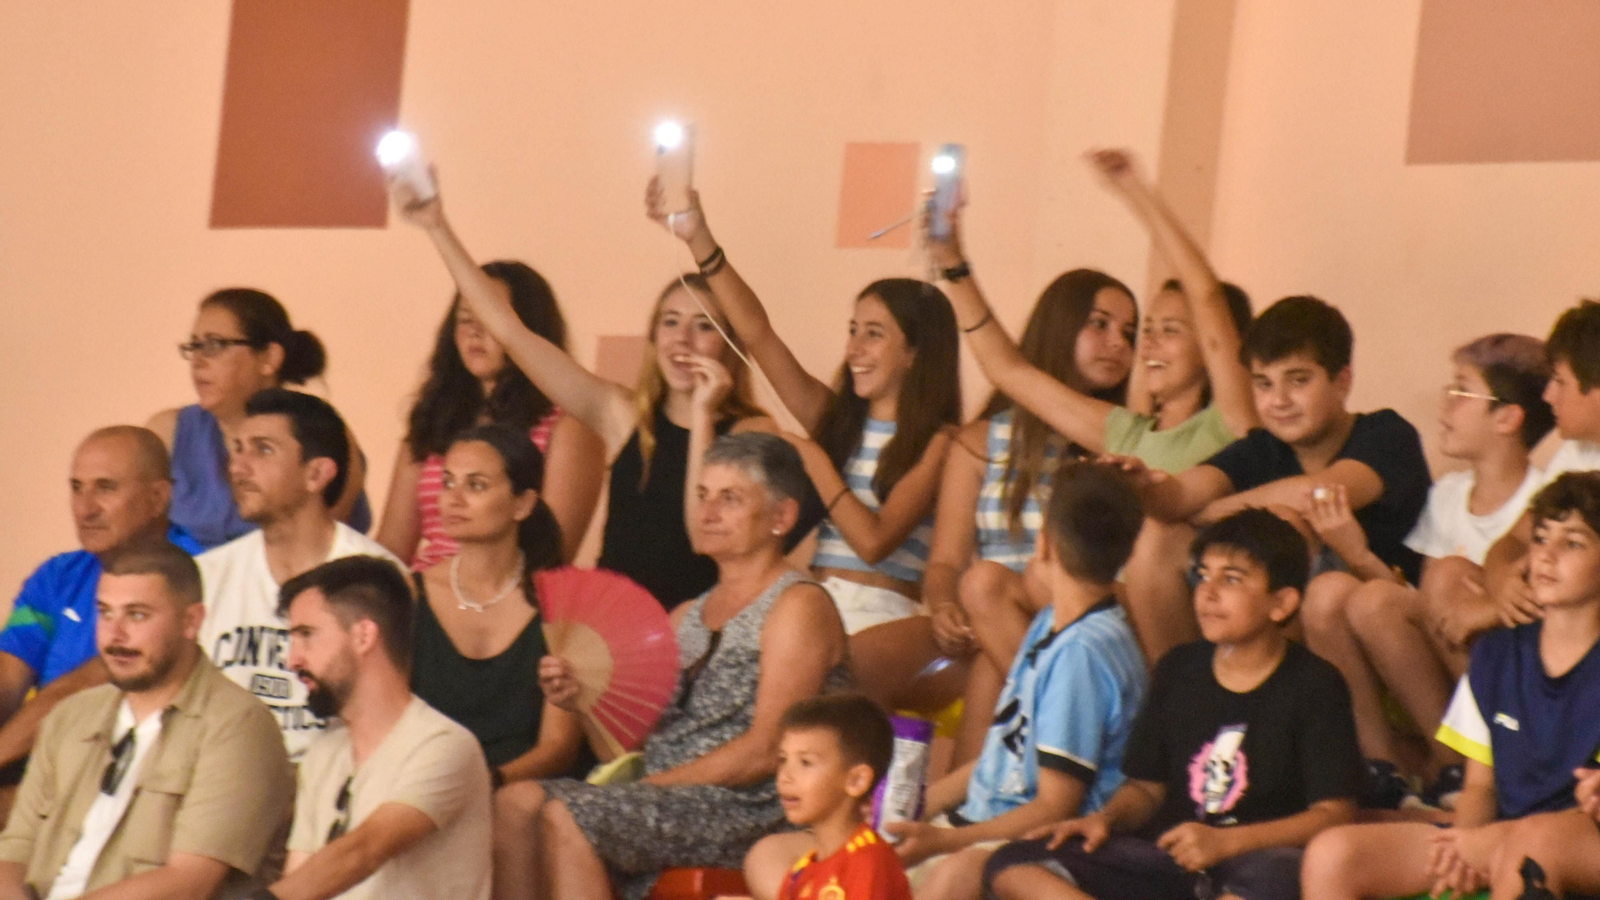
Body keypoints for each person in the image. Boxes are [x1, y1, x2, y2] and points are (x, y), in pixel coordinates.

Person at [927, 148, 1254, 671]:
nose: (1146, 345)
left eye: (1170, 332)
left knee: (1065, 571)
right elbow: (1009, 370)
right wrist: (952, 262)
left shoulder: (1232, 423)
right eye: (1147, 331)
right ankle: (1045, 712)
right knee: (986, 582)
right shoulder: (1124, 431)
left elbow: (1208, 296)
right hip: (1102, 617)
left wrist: (1138, 194)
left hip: (1173, 622)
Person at [389, 175, 777, 611]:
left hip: (702, 622)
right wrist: (437, 225)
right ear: (653, 338)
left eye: (703, 325)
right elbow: (511, 333)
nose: (682, 339)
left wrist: (704, 417)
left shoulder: (752, 430)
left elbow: (703, 535)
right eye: (669, 322)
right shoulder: (622, 414)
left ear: (729, 342)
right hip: (614, 626)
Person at [492, 433, 851, 900]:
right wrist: (580, 702)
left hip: (748, 805)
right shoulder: (685, 616)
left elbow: (766, 749)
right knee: (512, 802)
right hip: (667, 798)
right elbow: (628, 748)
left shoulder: (797, 604)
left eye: (731, 498)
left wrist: (646, 787)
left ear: (782, 516)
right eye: (702, 495)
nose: (708, 512)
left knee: (569, 813)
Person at [653, 182, 962, 711]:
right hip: (812, 599)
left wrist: (814, 458)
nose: (855, 349)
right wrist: (698, 238)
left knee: (805, 692)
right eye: (853, 330)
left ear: (914, 352)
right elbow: (757, 334)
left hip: (887, 610)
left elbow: (875, 542)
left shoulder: (940, 440)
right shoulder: (835, 419)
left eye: (874, 334)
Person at [985, 508, 1362, 900]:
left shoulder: (1316, 684)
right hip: (1167, 858)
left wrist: (1227, 843)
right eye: (1202, 575)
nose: (1208, 592)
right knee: (1014, 862)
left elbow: (1334, 814)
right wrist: (1105, 819)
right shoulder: (1178, 669)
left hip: (1253, 857)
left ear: (1281, 603)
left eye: (1231, 579)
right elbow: (1146, 789)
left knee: (1280, 876)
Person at [1301, 471, 1600, 900]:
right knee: (1335, 853)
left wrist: (1498, 842)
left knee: (1533, 845)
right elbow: (1481, 786)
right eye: (1540, 538)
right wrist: (1462, 847)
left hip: (1576, 838)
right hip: (1498, 833)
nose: (1546, 556)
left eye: (1572, 543)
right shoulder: (1497, 652)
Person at [1298, 334, 1552, 807]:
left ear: (1508, 417)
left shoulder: (1544, 497)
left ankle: (1460, 763)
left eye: (1461, 392)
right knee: (1331, 591)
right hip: (1447, 653)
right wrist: (1357, 554)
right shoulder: (1450, 494)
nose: (1444, 406)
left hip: (1513, 676)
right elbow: (1418, 607)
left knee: (1421, 584)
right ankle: (1382, 772)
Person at [880, 463, 1148, 900]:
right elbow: (1000, 760)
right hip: (978, 825)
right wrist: (910, 808)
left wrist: (946, 841)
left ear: (1044, 545)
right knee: (814, 853)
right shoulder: (1050, 623)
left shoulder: (1083, 652)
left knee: (920, 879)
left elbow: (1054, 806)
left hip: (1029, 845)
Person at [0, 543, 293, 900]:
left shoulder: (238, 727)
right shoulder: (69, 717)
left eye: (137, 615)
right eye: (105, 613)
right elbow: (14, 852)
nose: (115, 634)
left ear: (191, 621)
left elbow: (190, 882)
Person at [251, 555, 491, 900]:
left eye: (307, 635)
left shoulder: (444, 744)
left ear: (364, 636)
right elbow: (299, 877)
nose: (293, 659)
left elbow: (366, 850)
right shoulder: (325, 752)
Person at [0, 427, 202, 814]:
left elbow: (85, 687)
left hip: (130, 773)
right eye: (77, 488)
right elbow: (8, 675)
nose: (85, 508)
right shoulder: (57, 575)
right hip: (37, 759)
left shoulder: (196, 573)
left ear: (158, 497)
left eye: (105, 488)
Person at [197, 388, 403, 760]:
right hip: (225, 780)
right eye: (237, 449)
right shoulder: (207, 576)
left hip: (336, 784)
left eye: (262, 449)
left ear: (317, 473)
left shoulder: (379, 580)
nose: (238, 468)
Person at [375, 258, 605, 570]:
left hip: (511, 599)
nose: (474, 333)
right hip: (427, 592)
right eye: (465, 319)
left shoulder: (567, 424)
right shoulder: (433, 417)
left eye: (490, 319)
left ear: (527, 330)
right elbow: (392, 550)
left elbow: (553, 553)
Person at [409, 424, 588, 784]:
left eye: (476, 485)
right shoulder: (410, 593)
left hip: (519, 787)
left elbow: (558, 746)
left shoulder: (563, 604)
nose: (453, 499)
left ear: (522, 504)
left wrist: (488, 781)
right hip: (423, 783)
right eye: (447, 482)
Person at [1428, 300, 1600, 662]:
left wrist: (1494, 609)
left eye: (1560, 382)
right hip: (1555, 603)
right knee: (1449, 576)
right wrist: (1502, 582)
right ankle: (1475, 717)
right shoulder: (1578, 453)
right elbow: (1516, 539)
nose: (1548, 395)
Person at [148, 287, 371, 549]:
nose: (197, 361)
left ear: (269, 358)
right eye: (194, 346)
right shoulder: (168, 431)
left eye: (214, 345)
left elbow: (316, 550)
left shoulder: (321, 432)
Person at [762, 695, 911, 900]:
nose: (785, 776)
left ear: (856, 781)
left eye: (806, 762)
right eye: (783, 760)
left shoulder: (869, 862)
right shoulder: (800, 871)